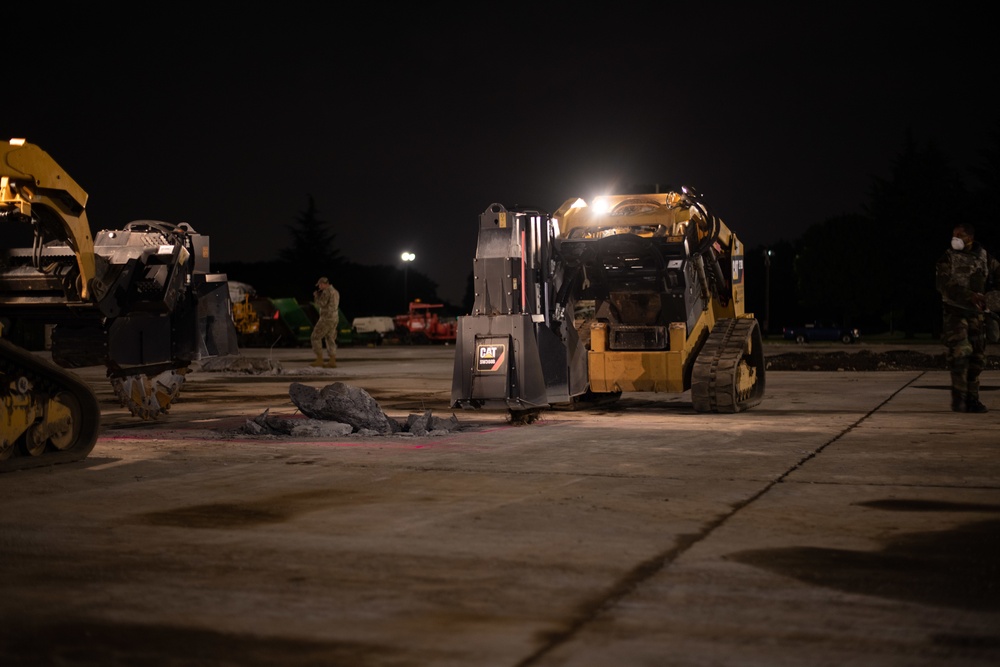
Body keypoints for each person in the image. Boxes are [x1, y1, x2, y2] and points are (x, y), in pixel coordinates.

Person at [935, 222, 999, 412]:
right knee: (961, 353)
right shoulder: (947, 257)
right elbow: (943, 284)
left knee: (978, 358)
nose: (954, 238)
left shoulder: (985, 258)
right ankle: (959, 398)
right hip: (955, 313)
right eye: (953, 234)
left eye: (959, 235)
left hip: (978, 316)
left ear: (969, 237)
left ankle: (972, 399)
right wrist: (969, 296)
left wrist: (993, 298)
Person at [310, 276, 340, 368]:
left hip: (326, 318)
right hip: (334, 318)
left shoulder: (326, 292)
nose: (319, 287)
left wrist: (316, 297)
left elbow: (321, 304)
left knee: (315, 336)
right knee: (330, 338)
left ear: (324, 284)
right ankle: (332, 360)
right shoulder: (335, 292)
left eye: (319, 285)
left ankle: (319, 359)